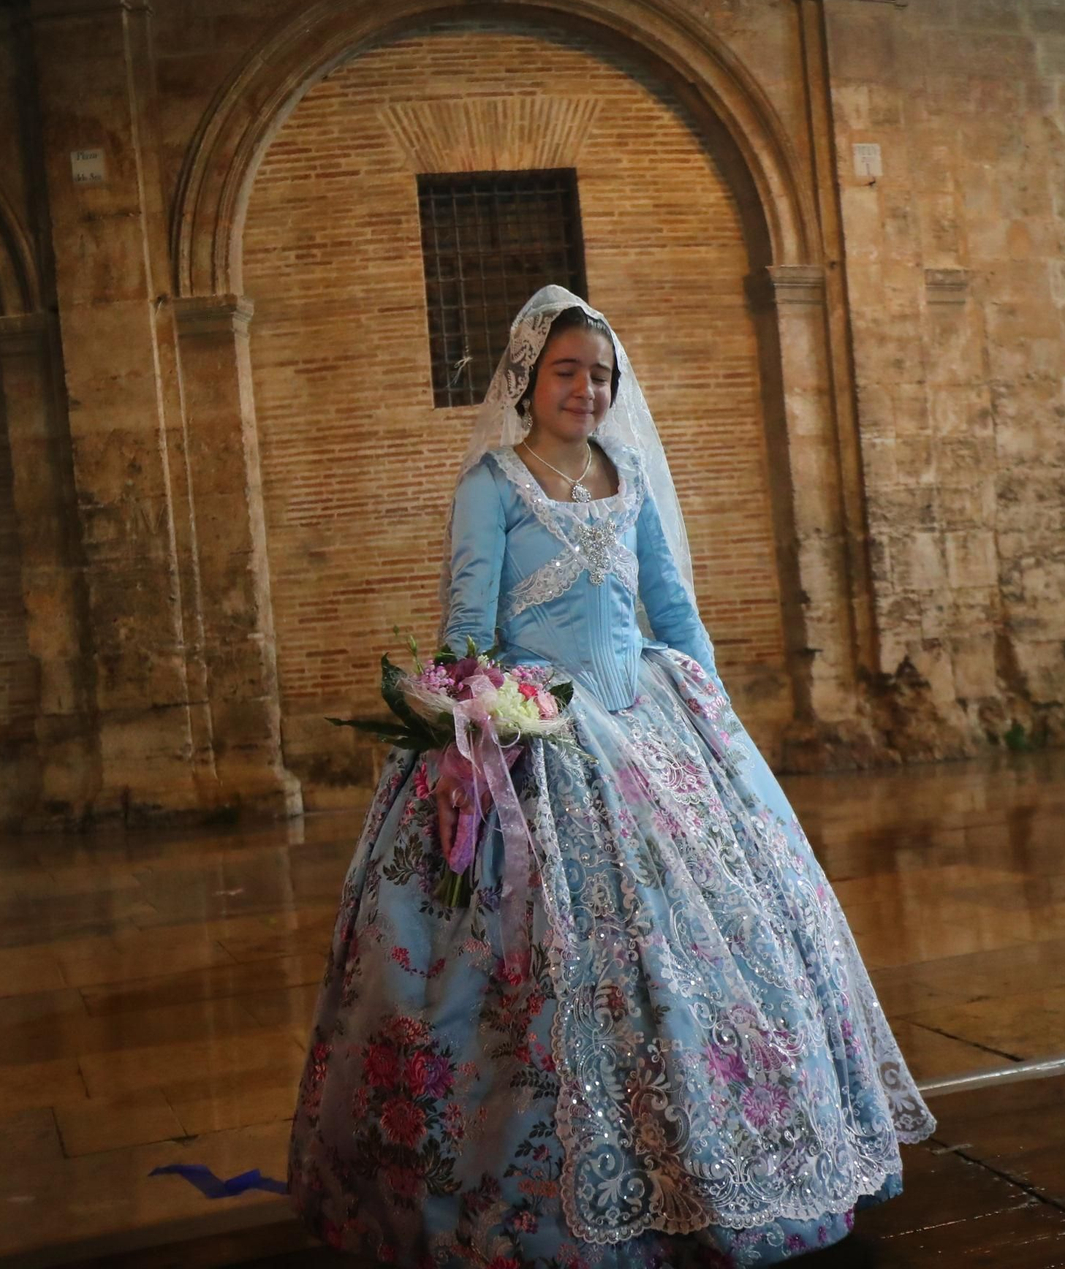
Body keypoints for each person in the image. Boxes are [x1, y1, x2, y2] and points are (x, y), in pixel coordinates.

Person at [288, 287, 932, 1265]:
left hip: (652, 723)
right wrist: (473, 728)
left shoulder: (626, 474)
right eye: (566, 371)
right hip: (538, 732)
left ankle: (730, 1156)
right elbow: (467, 622)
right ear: (526, 381)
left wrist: (716, 728)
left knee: (719, 942)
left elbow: (671, 612)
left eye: (599, 374)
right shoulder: (492, 486)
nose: (585, 389)